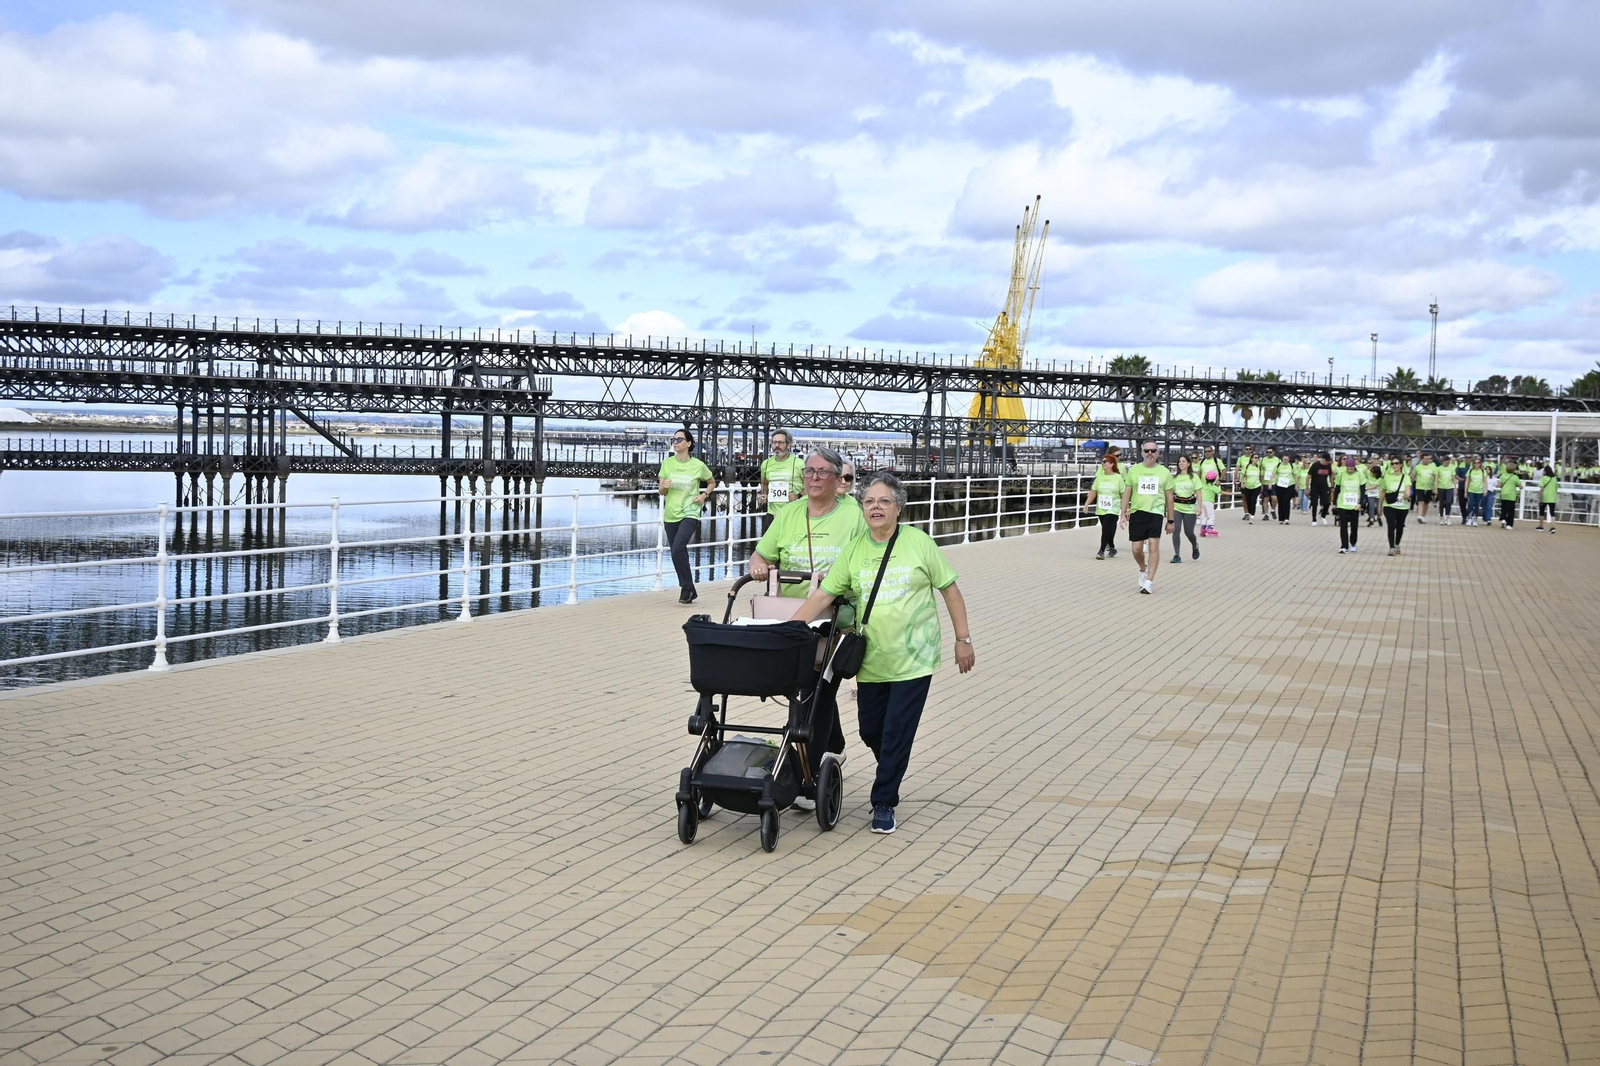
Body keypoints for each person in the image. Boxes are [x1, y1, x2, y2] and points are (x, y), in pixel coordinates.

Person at [792, 473, 975, 836]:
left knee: (896, 732)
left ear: (898, 507)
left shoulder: (919, 543)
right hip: (871, 659)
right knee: (871, 729)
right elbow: (824, 595)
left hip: (915, 658)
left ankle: (884, 802)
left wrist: (962, 639)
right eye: (869, 502)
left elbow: (950, 591)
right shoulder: (856, 548)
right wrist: (788, 629)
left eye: (884, 501)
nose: (876, 508)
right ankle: (892, 766)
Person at [748, 447, 866, 810]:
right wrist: (758, 565)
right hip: (789, 617)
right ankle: (835, 747)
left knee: (816, 691)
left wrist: (841, 578)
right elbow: (762, 554)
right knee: (808, 689)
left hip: (835, 620)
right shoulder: (788, 513)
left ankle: (807, 772)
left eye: (822, 472)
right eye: (809, 472)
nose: (813, 478)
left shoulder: (853, 517)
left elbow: (865, 561)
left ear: (836, 478)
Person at [658, 429, 717, 603]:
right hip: (671, 514)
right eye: (673, 439)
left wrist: (704, 495)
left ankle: (686, 588)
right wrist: (664, 486)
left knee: (678, 547)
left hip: (691, 511)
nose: (675, 442)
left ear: (689, 443)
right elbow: (661, 491)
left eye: (679, 439)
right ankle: (689, 588)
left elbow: (712, 482)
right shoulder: (667, 463)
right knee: (677, 552)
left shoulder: (698, 465)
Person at [1120, 441, 1176, 594]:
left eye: (1153, 450)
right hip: (1137, 512)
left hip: (1156, 513)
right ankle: (1142, 569)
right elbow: (1127, 492)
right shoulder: (1134, 470)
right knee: (1137, 548)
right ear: (1142, 453)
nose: (1150, 453)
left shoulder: (1164, 472)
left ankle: (1149, 582)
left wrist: (1171, 520)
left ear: (1158, 453)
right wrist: (1122, 513)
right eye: (1147, 450)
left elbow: (1170, 498)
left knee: (1153, 546)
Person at [1082, 451, 1125, 560]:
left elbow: (1123, 494)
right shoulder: (1099, 478)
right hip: (1101, 507)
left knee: (1106, 528)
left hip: (1113, 507)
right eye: (1102, 461)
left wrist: (1125, 509)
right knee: (1107, 529)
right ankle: (1112, 547)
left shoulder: (1118, 478)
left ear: (1111, 464)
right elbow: (1093, 492)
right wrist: (1086, 504)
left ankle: (1101, 551)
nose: (1103, 463)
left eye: (1105, 461)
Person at [758, 430, 804, 531]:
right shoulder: (766, 464)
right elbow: (765, 484)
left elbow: (810, 487)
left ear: (788, 445)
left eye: (780, 442)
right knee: (771, 546)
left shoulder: (800, 464)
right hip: (772, 514)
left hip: (793, 512)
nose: (777, 445)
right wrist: (763, 496)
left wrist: (798, 496)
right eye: (774, 442)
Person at [1331, 455, 1367, 553]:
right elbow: (1337, 489)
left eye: (1351, 468)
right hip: (1343, 503)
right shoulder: (1341, 474)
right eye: (1348, 468)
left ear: (1354, 467)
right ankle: (1344, 546)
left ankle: (1353, 542)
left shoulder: (1360, 475)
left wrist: (1361, 503)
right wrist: (1334, 503)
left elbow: (1363, 491)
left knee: (1354, 525)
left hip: (1355, 504)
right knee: (1343, 525)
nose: (1349, 470)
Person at [1170, 454, 1201, 564]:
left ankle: (1194, 545)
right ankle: (1177, 555)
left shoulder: (1194, 477)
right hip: (1177, 507)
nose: (1181, 463)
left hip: (1190, 508)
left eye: (1183, 461)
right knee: (1176, 529)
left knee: (1189, 532)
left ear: (1188, 463)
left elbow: (1198, 492)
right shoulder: (1174, 478)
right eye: (1179, 462)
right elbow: (1170, 493)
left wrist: (1200, 507)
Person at [1381, 457, 1414, 556]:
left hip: (1402, 506)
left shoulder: (1405, 477)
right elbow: (1383, 491)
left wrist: (1407, 495)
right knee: (1391, 525)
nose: (1394, 465)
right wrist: (1379, 506)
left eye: (1397, 463)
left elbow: (1408, 489)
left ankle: (1397, 544)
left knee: (1399, 526)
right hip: (1389, 504)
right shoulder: (1387, 476)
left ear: (1400, 465)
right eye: (1393, 463)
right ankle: (1391, 548)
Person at [1198, 446, 1225, 537]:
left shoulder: (1217, 461)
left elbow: (1224, 470)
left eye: (1209, 451)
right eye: (1205, 451)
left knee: (1209, 505)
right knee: (1206, 510)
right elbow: (1199, 472)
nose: (1207, 453)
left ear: (1212, 452)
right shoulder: (1202, 461)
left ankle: (1205, 528)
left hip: (1213, 485)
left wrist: (1220, 480)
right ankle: (1207, 528)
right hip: (1203, 487)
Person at [1272, 451, 1297, 525]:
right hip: (1279, 485)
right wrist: (1271, 483)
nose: (1285, 460)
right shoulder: (1278, 465)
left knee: (1287, 501)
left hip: (1289, 485)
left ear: (1289, 459)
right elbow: (1273, 474)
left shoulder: (1292, 466)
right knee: (1281, 502)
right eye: (1284, 459)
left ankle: (1286, 518)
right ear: (1282, 459)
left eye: (1286, 459)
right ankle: (1281, 519)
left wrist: (1296, 485)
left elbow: (1295, 475)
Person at [1237, 447, 1262, 523]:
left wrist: (1262, 485)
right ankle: (1249, 512)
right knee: (1248, 500)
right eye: (1255, 458)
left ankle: (1252, 516)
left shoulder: (1259, 467)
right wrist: (1242, 483)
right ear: (1252, 459)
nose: (1256, 459)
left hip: (1256, 486)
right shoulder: (1247, 466)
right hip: (1248, 485)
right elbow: (1243, 475)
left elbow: (1261, 476)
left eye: (1257, 458)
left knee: (1253, 500)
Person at [1413, 452, 1438, 523]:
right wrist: (1410, 486)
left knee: (1426, 503)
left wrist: (1435, 488)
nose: (1428, 460)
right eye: (1426, 459)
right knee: (1421, 501)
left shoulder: (1433, 466)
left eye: (1429, 459)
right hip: (1419, 487)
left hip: (1429, 487)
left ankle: (1423, 516)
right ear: (1422, 459)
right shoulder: (1418, 467)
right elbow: (1413, 477)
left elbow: (1436, 477)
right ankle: (1419, 516)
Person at [1307, 452, 1333, 525]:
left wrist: (1332, 486)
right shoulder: (1315, 465)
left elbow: (1331, 476)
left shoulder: (1328, 466)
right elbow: (1308, 477)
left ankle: (1323, 515)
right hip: (1315, 487)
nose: (1327, 463)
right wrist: (1307, 488)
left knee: (1327, 503)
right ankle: (1314, 519)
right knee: (1314, 503)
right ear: (1323, 459)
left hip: (1324, 486)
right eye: (1326, 461)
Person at [1464, 456, 1488, 527]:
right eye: (1475, 463)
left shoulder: (1483, 471)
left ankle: (1475, 519)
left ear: (1480, 464)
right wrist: (1465, 491)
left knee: (1477, 505)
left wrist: (1485, 490)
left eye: (1478, 463)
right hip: (1471, 490)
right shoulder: (1470, 471)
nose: (1476, 464)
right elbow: (1467, 481)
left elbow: (1485, 482)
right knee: (1470, 504)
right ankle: (1469, 518)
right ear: (1473, 464)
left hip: (1479, 491)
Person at [1499, 461, 1522, 529]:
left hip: (1504, 494)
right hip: (1511, 495)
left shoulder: (1503, 475)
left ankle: (1503, 519)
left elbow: (1500, 485)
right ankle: (1509, 524)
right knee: (1511, 510)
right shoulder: (1515, 477)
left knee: (1504, 508)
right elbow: (1520, 486)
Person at [1536, 464, 1558, 533]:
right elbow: (1556, 488)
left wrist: (1540, 498)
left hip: (1544, 497)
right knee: (1552, 512)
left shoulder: (1543, 478)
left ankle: (1541, 526)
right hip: (1552, 497)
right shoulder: (1554, 479)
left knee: (1542, 512)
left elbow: (1542, 488)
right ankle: (1553, 526)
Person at [1435, 454, 1456, 525]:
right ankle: (1441, 518)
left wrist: (1455, 488)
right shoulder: (1438, 468)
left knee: (1448, 502)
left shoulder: (1451, 468)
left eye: (1448, 462)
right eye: (1446, 462)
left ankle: (1448, 518)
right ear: (1443, 462)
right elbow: (1436, 479)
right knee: (1441, 503)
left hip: (1449, 487)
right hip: (1441, 487)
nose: (1447, 464)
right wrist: (1435, 488)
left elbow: (1453, 478)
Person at [1261, 447, 1281, 522]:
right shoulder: (1263, 460)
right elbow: (1261, 470)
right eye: (1267, 452)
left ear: (1273, 452)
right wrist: (1261, 482)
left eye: (1270, 452)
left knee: (1274, 498)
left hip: (1274, 482)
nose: (1268, 453)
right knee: (1265, 499)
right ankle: (1266, 514)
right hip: (1265, 481)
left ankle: (1273, 510)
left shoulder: (1278, 460)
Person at [1365, 459, 1384, 527]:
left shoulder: (1380, 479)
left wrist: (1366, 488)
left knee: (1378, 507)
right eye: (1371, 472)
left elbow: (1375, 486)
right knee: (1371, 506)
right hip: (1370, 494)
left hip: (1378, 494)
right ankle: (1371, 520)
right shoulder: (1368, 473)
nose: (1372, 473)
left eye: (1373, 473)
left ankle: (1379, 517)